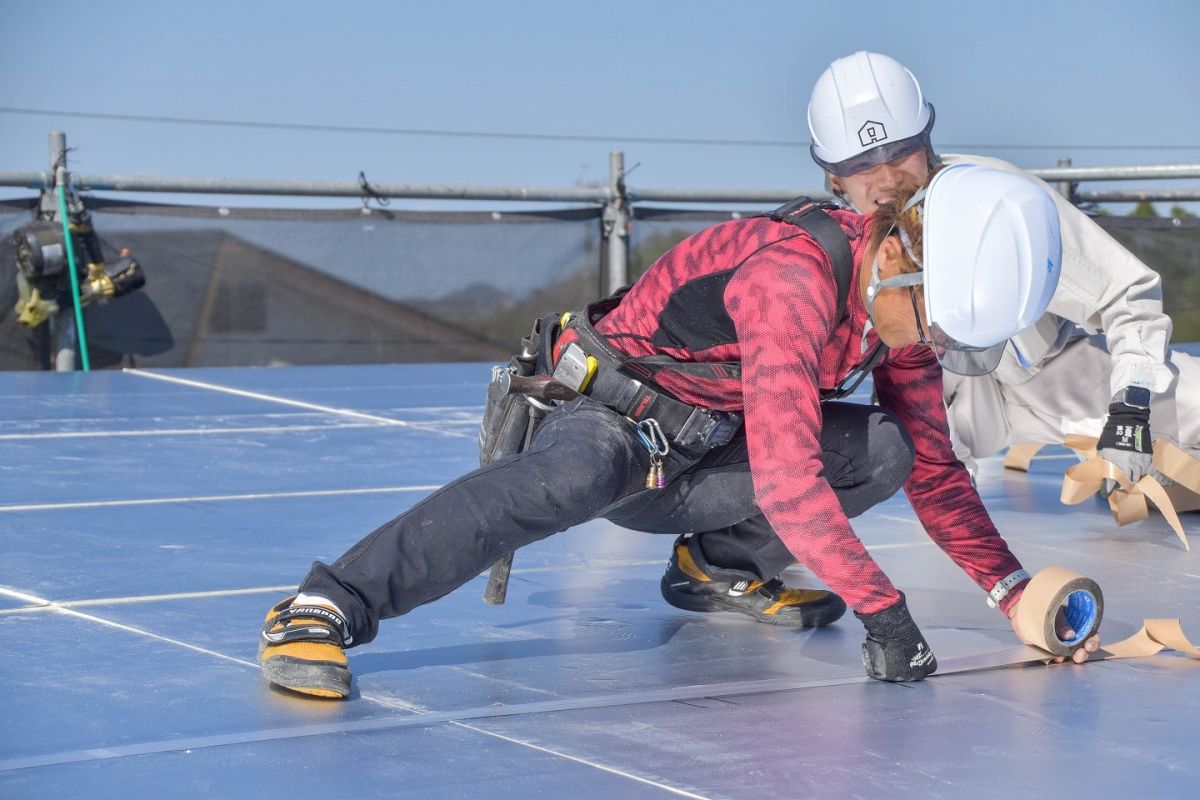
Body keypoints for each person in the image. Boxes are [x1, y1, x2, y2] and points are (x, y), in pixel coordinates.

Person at [259, 162, 1099, 700]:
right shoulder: (792, 281)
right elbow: (786, 478)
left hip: (709, 443)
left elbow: (936, 474)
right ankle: (328, 603)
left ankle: (714, 569)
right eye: (938, 324)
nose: (933, 346)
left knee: (886, 448)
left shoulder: (904, 309)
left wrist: (1013, 592)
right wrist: (884, 612)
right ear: (898, 257)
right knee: (571, 480)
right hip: (615, 423)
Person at [807, 50, 1200, 491]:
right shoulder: (834, 254)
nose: (886, 179)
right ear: (834, 178)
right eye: (860, 166)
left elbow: (1125, 292)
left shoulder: (1000, 204)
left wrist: (1131, 409)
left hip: (1053, 377)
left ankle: (1149, 470)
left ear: (926, 142)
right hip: (950, 407)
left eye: (899, 153)